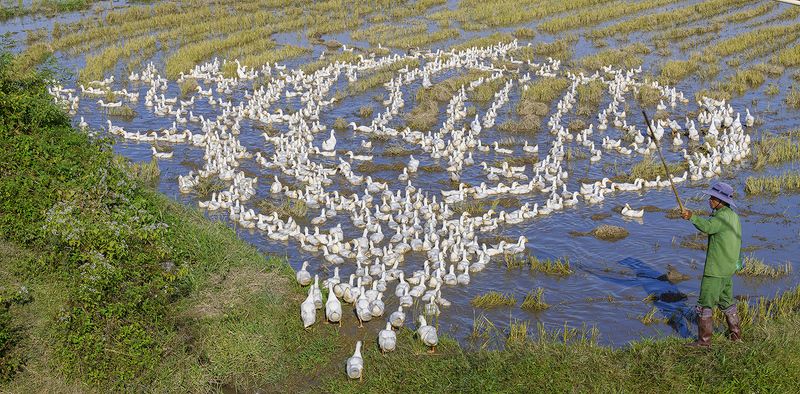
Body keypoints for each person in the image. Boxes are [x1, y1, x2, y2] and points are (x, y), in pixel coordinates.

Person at [681, 182, 742, 348]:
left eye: (712, 198)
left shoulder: (720, 217)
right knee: (727, 302)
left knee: (705, 305)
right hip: (728, 268)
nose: (709, 200)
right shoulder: (733, 216)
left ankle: (704, 342)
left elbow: (708, 227)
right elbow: (738, 240)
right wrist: (737, 263)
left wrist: (691, 217)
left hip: (715, 269)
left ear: (720, 201)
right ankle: (736, 336)